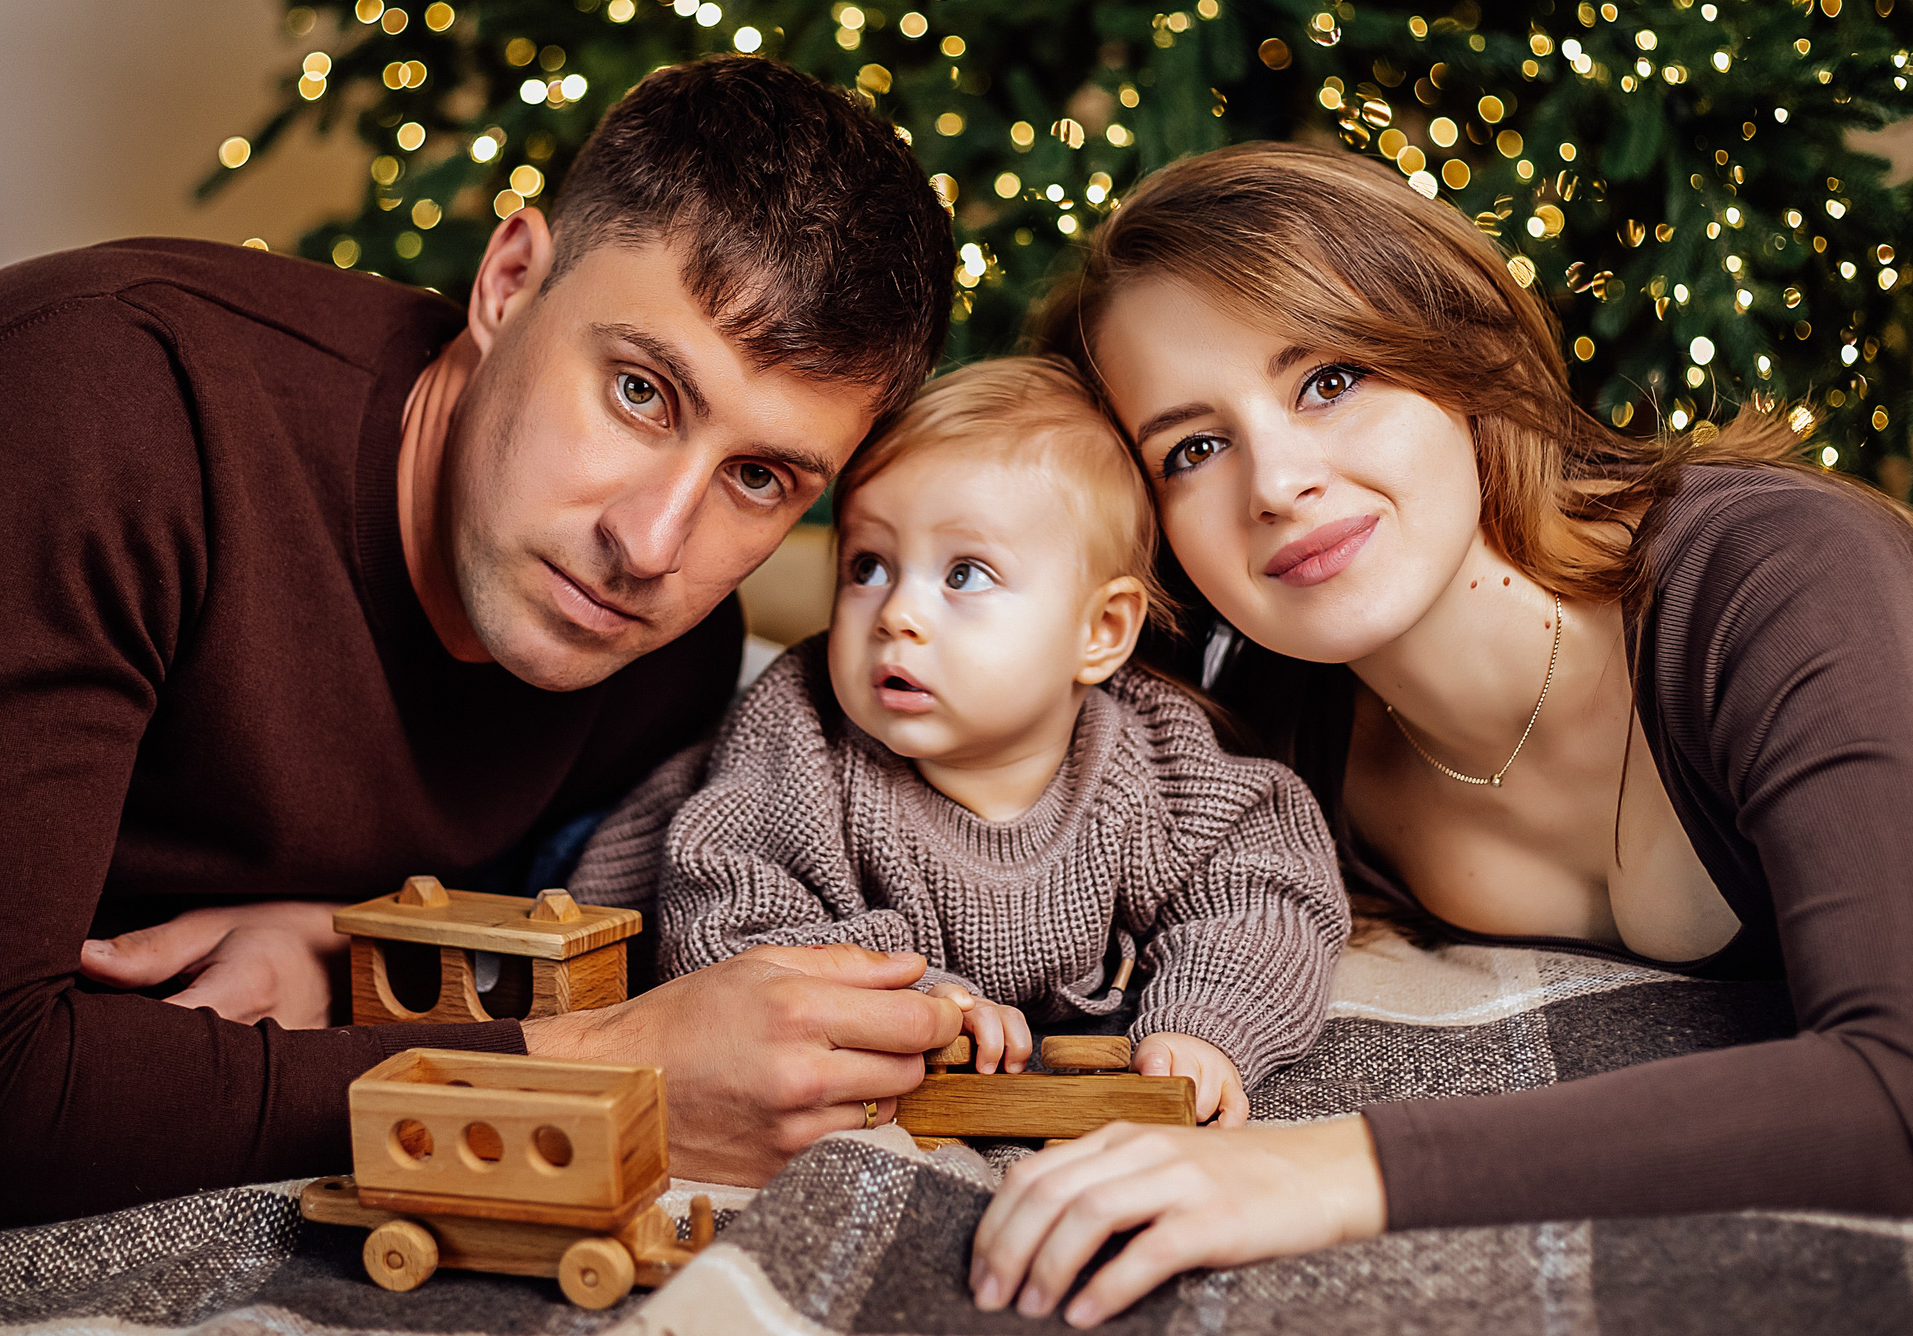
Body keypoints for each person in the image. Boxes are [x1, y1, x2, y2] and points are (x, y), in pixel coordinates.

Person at [0, 56, 967, 1230]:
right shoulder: (97, 408)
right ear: (510, 282)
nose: (651, 538)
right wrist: (589, 1076)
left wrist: (351, 951)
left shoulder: (662, 657)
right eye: (639, 389)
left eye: (762, 477)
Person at [968, 141, 1913, 1327]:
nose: (1278, 480)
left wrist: (1314, 1174)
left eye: (1331, 379)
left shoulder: (1769, 579)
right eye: (1192, 446)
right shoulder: (1273, 735)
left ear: (1459, 364)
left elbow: (1911, 1108)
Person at [573, 359, 1347, 1123]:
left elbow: (1267, 887)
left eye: (966, 574)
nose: (896, 614)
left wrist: (1203, 1024)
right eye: (869, 566)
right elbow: (727, 919)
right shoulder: (799, 734)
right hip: (606, 874)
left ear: (1100, 630)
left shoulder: (1151, 758)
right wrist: (919, 1000)